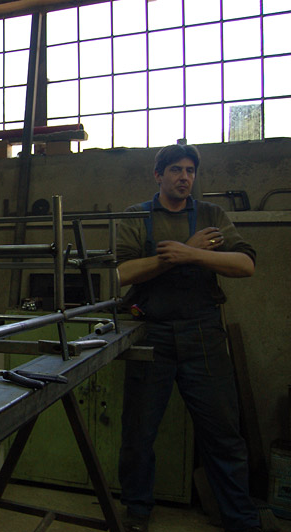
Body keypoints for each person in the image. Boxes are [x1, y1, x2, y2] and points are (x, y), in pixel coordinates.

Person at [116, 144, 261, 532]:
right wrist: (173, 256)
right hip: (151, 334)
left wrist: (191, 254)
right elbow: (121, 273)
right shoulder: (136, 216)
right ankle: (137, 511)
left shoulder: (211, 215)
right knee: (138, 433)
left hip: (203, 334)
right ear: (158, 175)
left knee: (223, 434)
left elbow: (245, 264)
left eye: (190, 170)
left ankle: (240, 518)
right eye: (176, 170)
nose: (185, 177)